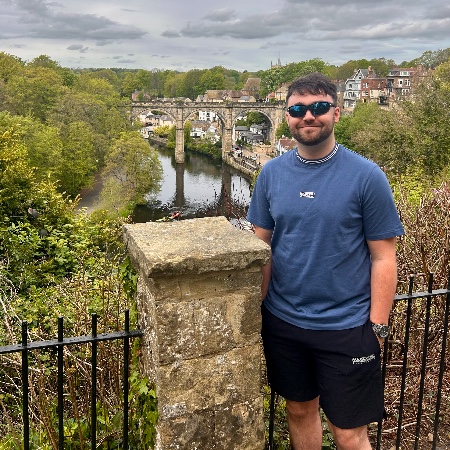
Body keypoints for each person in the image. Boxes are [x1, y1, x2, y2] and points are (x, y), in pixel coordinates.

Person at [247, 72, 404, 450]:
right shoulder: (271, 174)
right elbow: (260, 248)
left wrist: (377, 327)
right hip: (284, 322)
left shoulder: (367, 176)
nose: (308, 116)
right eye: (297, 109)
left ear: (336, 112)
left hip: (346, 327)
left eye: (318, 107)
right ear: (287, 116)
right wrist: (256, 312)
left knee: (349, 432)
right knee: (299, 411)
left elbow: (384, 257)